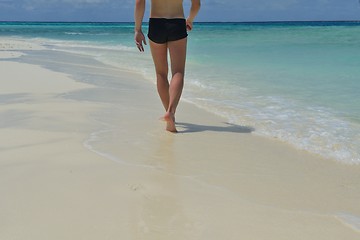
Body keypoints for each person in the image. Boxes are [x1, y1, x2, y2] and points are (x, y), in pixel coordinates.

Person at [134, 0, 201, 132]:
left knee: (161, 73)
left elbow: (139, 2)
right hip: (177, 23)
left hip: (156, 24)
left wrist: (138, 29)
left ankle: (170, 113)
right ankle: (171, 112)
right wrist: (190, 19)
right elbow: (196, 4)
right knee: (178, 72)